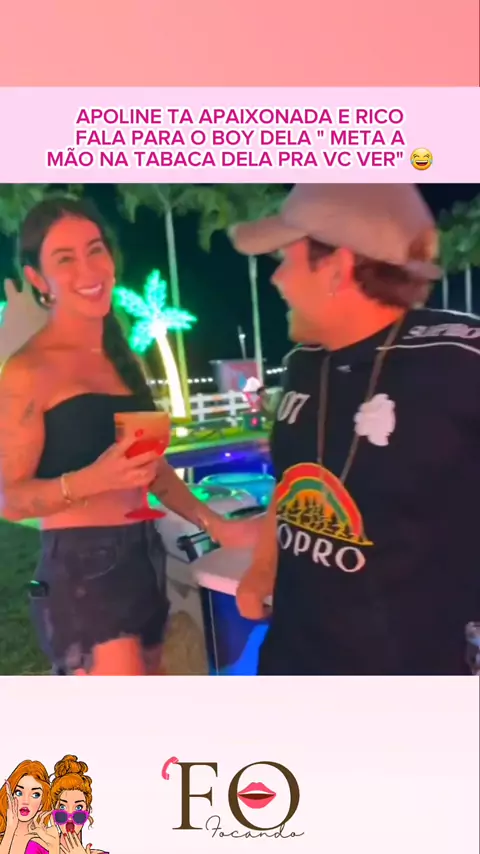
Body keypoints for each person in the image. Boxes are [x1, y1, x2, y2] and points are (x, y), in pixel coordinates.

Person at [0, 196, 257, 677]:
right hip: (82, 571)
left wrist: (215, 523)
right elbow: (9, 500)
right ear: (38, 279)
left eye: (95, 249)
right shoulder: (28, 371)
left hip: (144, 555)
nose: (88, 268)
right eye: (65, 259)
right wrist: (92, 479)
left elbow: (150, 468)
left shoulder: (121, 358)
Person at [230, 182, 480, 676]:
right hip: (291, 663)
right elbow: (292, 482)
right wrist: (262, 567)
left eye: (286, 259)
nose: (277, 278)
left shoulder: (460, 362)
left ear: (336, 268)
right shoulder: (304, 364)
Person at [0, 760, 57, 854]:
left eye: (35, 795)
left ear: (42, 802)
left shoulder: (45, 843)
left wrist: (54, 847)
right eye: (19, 793)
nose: (25, 801)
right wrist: (10, 830)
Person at [50, 755, 104, 854]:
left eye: (78, 807)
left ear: (88, 811)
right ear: (53, 810)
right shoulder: (37, 849)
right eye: (62, 807)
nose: (70, 816)